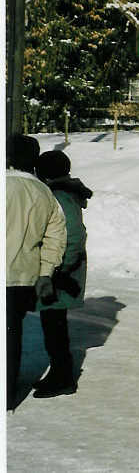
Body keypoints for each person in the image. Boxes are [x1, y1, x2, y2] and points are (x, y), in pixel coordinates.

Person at [6, 134, 67, 409]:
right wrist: (45, 273)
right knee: (11, 334)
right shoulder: (44, 193)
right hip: (24, 278)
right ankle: (8, 394)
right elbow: (56, 238)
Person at [33, 150, 93, 398]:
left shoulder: (60, 197)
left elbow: (74, 237)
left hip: (61, 276)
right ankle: (60, 374)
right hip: (63, 273)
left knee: (55, 327)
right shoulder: (64, 193)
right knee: (53, 325)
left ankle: (63, 377)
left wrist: (57, 269)